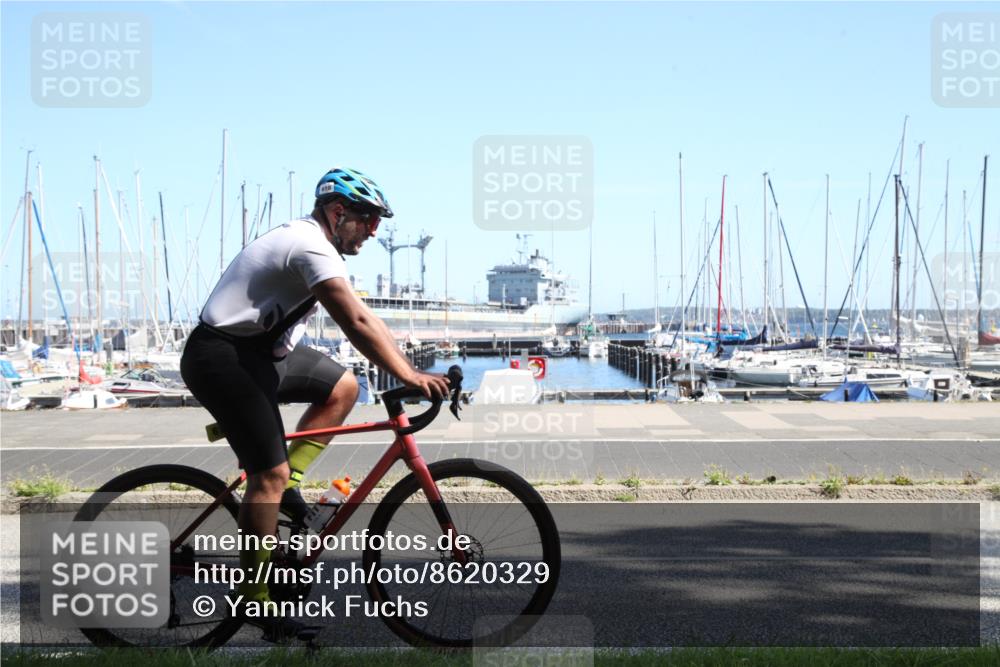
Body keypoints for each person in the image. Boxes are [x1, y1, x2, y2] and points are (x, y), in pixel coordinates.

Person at [180, 167, 449, 636]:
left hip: (261, 354)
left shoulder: (320, 246)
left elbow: (367, 316)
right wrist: (409, 375)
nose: (373, 231)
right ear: (337, 211)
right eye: (367, 219)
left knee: (344, 388)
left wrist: (408, 368)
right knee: (268, 473)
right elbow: (355, 324)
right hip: (221, 357)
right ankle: (257, 599)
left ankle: (288, 491)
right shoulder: (308, 244)